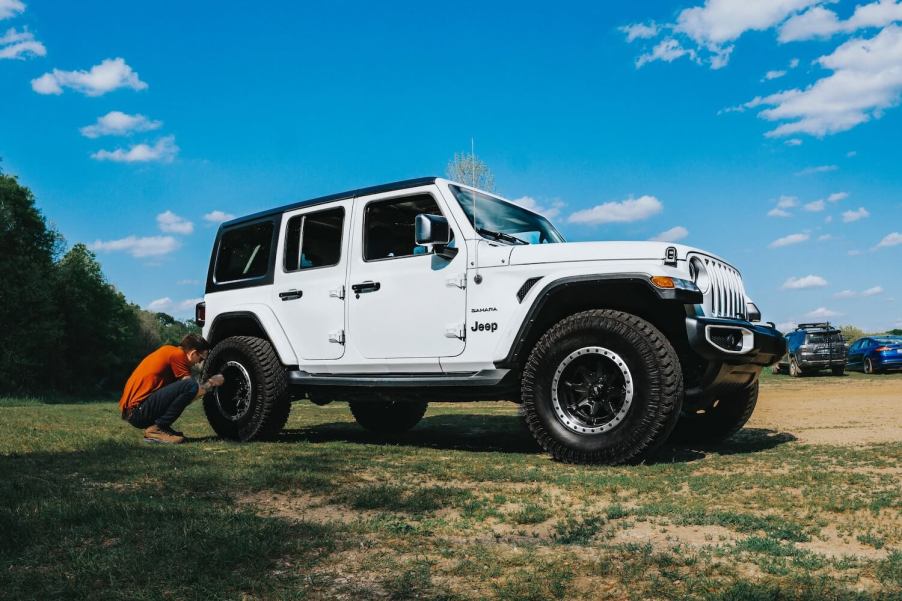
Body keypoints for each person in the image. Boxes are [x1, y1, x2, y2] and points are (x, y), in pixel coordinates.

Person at [120, 333, 225, 444]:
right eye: (201, 358)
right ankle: (157, 429)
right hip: (137, 413)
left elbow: (181, 397)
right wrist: (211, 382)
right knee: (191, 385)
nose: (199, 363)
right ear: (193, 353)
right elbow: (193, 391)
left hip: (135, 412)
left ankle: (162, 427)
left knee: (189, 386)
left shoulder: (170, 351)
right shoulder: (178, 355)